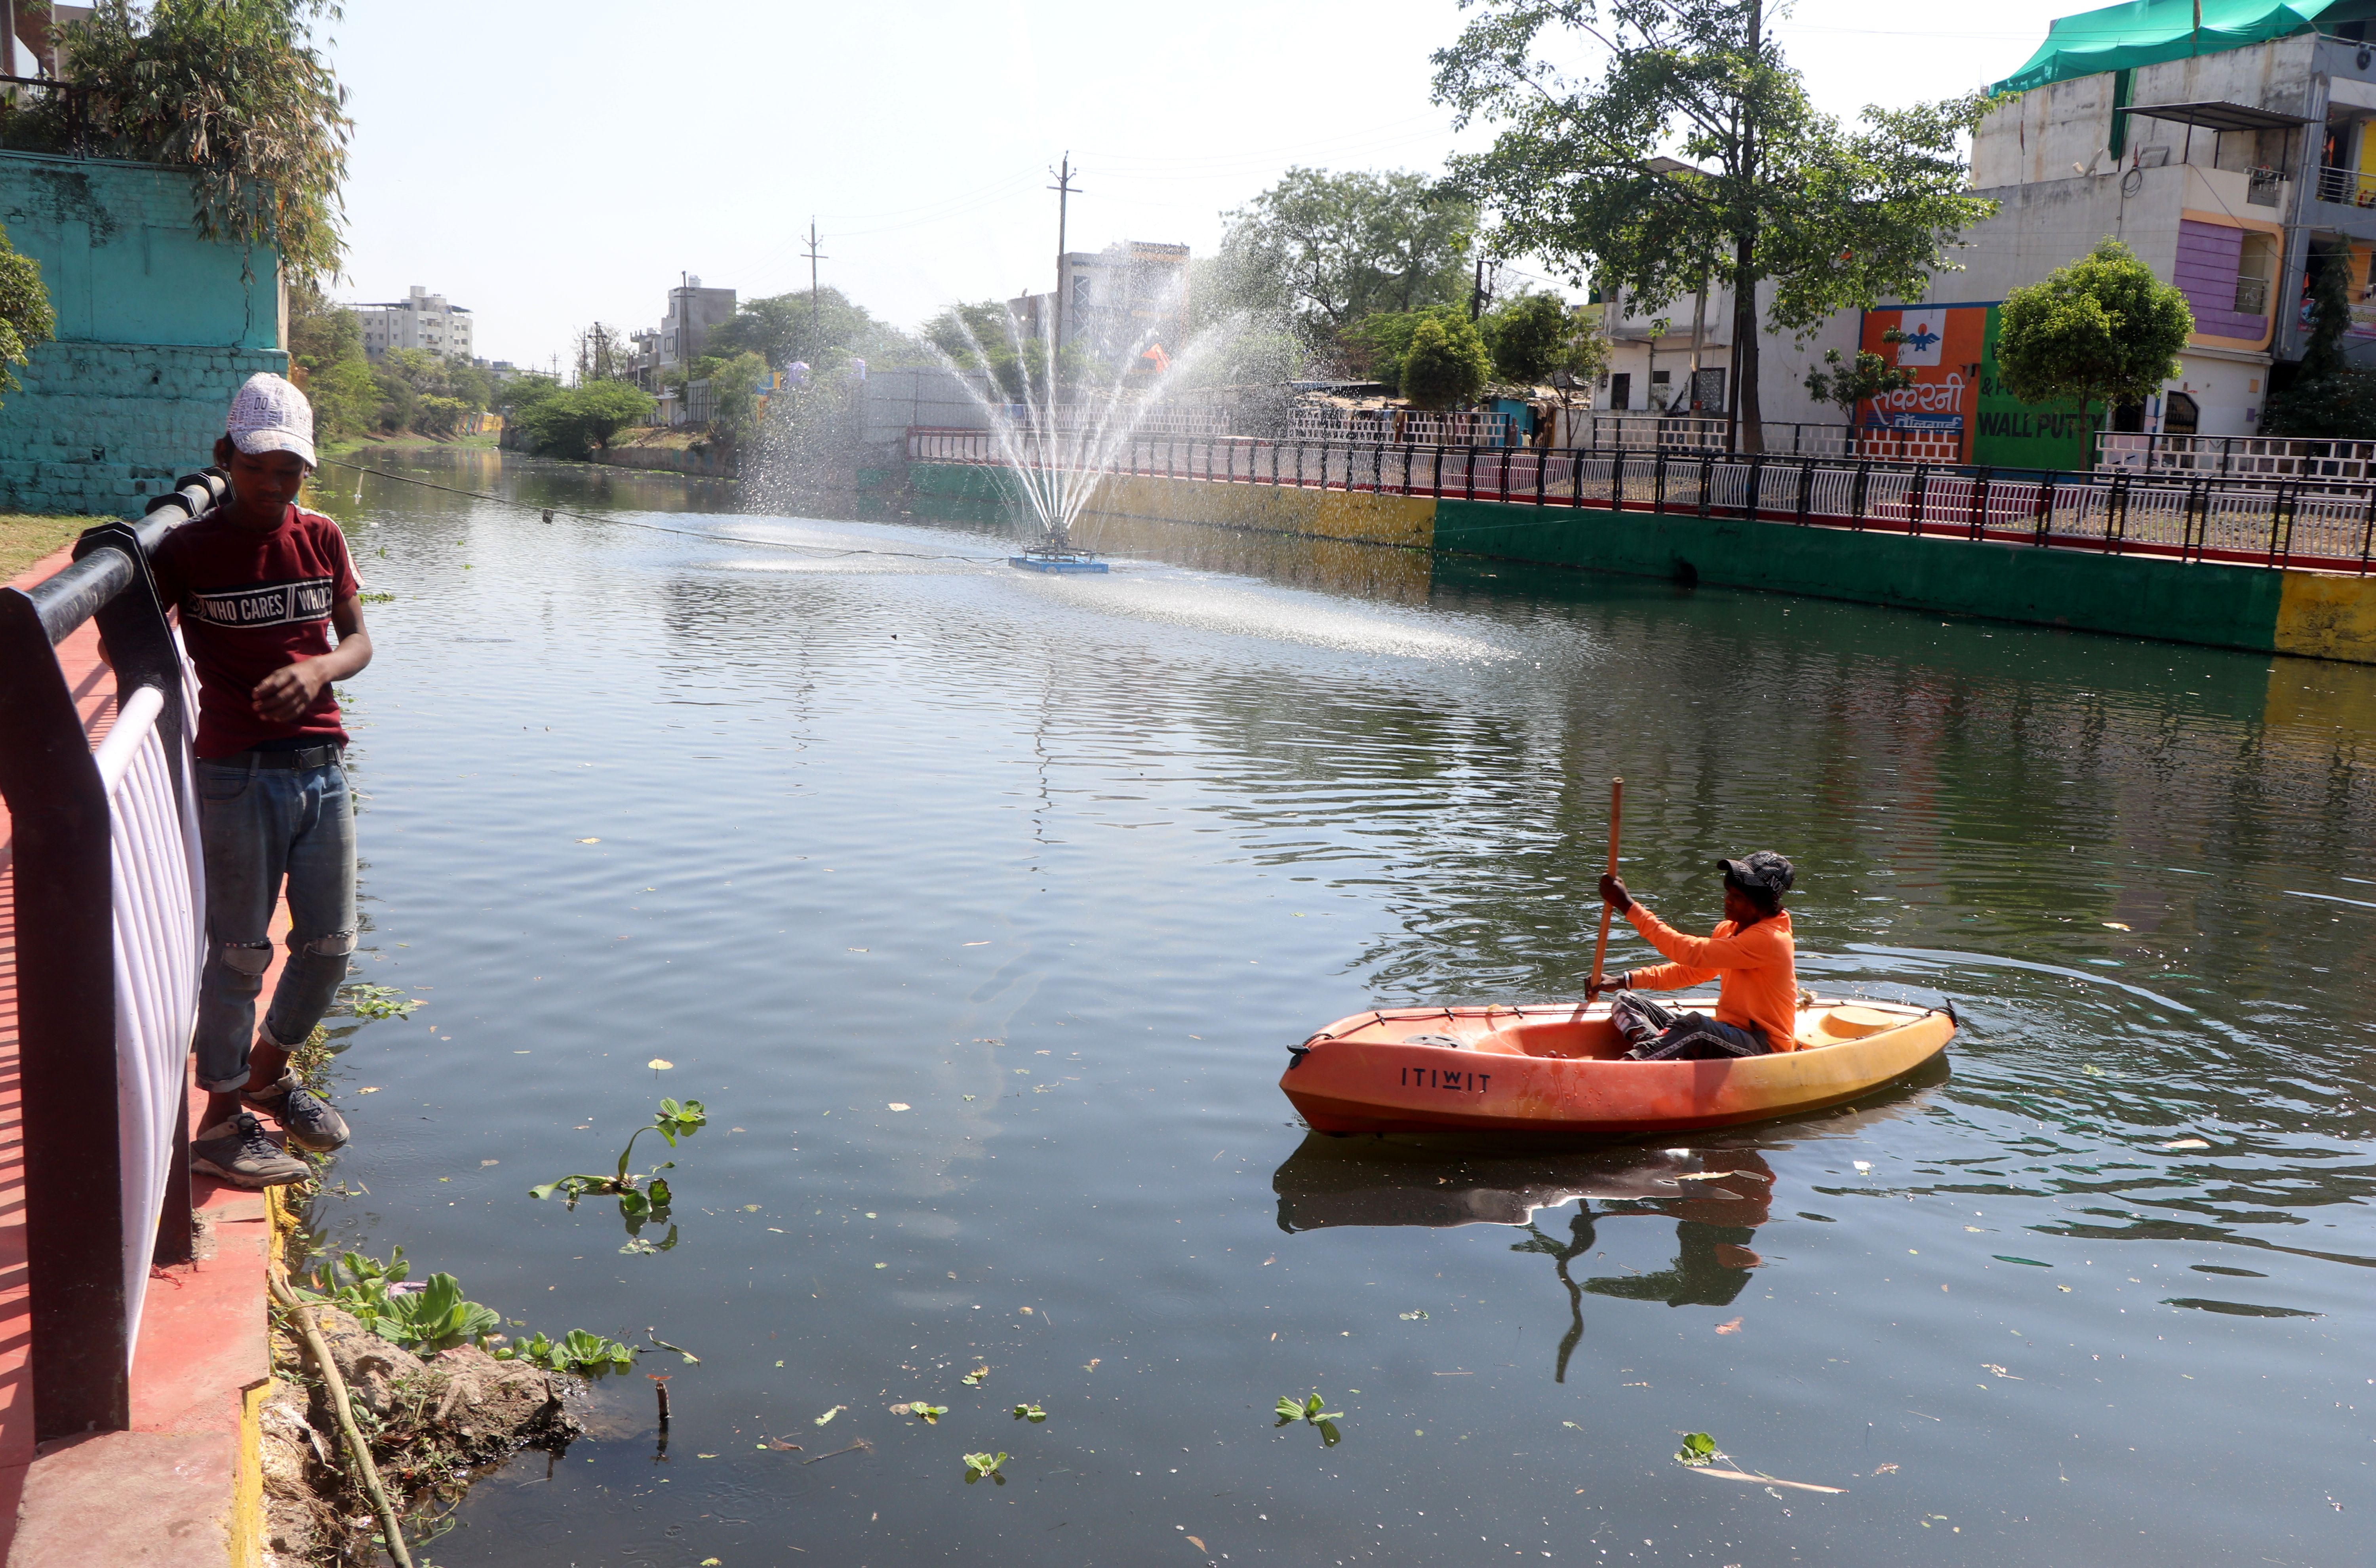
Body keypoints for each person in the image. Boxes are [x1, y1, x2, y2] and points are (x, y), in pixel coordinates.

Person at [148, 373, 372, 1186]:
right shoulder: (188, 551)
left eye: (291, 473)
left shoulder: (321, 537)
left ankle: (269, 1073)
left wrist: (318, 670)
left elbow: (357, 641)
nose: (275, 486)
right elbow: (128, 639)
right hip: (237, 777)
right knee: (241, 953)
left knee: (329, 943)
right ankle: (218, 1120)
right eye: (259, 468)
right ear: (226, 459)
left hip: (323, 771)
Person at [1586, 852, 1799, 1060]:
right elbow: (1691, 971)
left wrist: (1628, 906)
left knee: (1696, 1024)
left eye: (1738, 897)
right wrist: (1626, 980)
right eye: (1729, 893)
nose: (1728, 901)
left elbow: (1692, 952)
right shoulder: (1728, 930)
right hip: (1727, 1034)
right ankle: (1658, 1048)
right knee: (1626, 1000)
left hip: (1765, 1048)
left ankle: (1637, 1062)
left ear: (1763, 904)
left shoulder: (1771, 939)